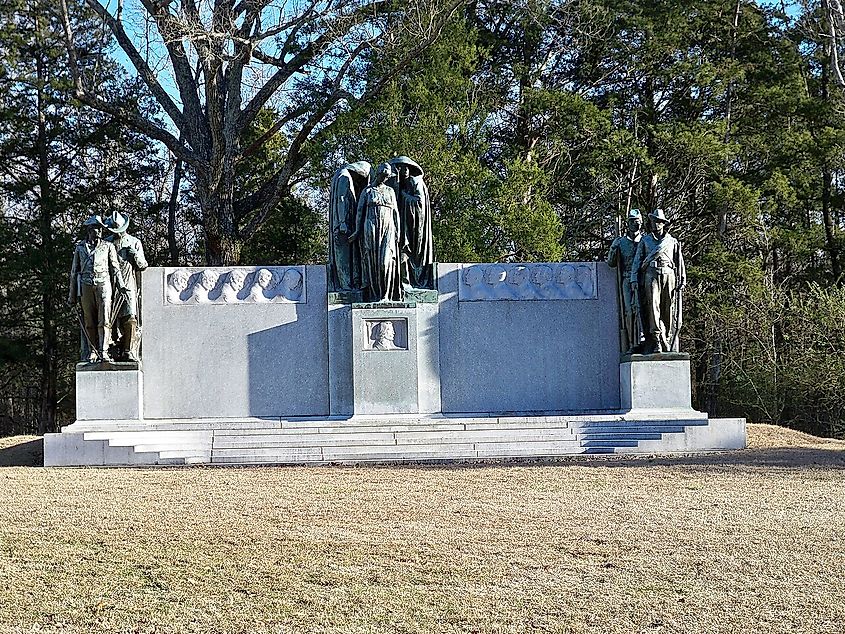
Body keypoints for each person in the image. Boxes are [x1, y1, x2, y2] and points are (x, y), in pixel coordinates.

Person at [68, 216, 127, 362]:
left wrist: (122, 285)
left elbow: (115, 268)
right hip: (86, 285)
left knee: (105, 319)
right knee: (89, 321)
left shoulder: (108, 246)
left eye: (100, 228)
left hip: (104, 283)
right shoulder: (80, 247)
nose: (99, 230)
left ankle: (103, 351)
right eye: (96, 228)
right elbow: (74, 271)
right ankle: (93, 351)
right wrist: (72, 295)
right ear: (89, 230)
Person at [630, 209, 686, 353]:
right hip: (651, 275)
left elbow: (679, 262)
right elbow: (637, 260)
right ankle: (656, 340)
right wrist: (634, 278)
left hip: (669, 275)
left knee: (668, 308)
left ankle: (666, 337)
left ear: (663, 224)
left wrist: (683, 279)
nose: (655, 224)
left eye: (658, 222)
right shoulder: (645, 240)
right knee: (653, 308)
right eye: (653, 221)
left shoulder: (672, 241)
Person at [349, 163, 403, 302]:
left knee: (386, 262)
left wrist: (398, 231)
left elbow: (396, 212)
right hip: (371, 227)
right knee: (372, 262)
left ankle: (386, 295)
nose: (385, 179)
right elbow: (360, 212)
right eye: (383, 176)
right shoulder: (367, 191)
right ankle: (374, 295)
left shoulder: (390, 191)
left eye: (387, 177)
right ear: (378, 174)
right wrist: (356, 231)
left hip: (388, 228)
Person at [105, 211, 147, 361]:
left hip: (128, 283)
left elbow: (143, 265)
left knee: (130, 317)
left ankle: (129, 350)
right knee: (109, 319)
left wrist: (134, 255)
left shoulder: (134, 242)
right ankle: (112, 350)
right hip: (111, 284)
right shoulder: (107, 243)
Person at [390, 156, 434, 289]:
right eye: (400, 167)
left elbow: (419, 202)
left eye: (405, 167)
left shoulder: (415, 181)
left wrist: (403, 196)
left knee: (413, 252)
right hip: (405, 224)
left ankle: (414, 280)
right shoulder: (401, 184)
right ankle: (405, 282)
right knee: (403, 251)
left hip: (415, 224)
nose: (403, 170)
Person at [328, 161, 371, 291]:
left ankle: (348, 284)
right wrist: (342, 222)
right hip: (342, 226)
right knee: (343, 256)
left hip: (343, 224)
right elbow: (341, 199)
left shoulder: (340, 175)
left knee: (345, 255)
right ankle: (345, 286)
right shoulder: (344, 177)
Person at [607, 209, 644, 354]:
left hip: (642, 280)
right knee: (629, 311)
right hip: (627, 279)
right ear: (628, 223)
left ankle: (643, 341)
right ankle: (631, 342)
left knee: (642, 310)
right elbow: (611, 263)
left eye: (638, 222)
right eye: (632, 221)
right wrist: (613, 248)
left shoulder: (645, 240)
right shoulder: (621, 242)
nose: (635, 224)